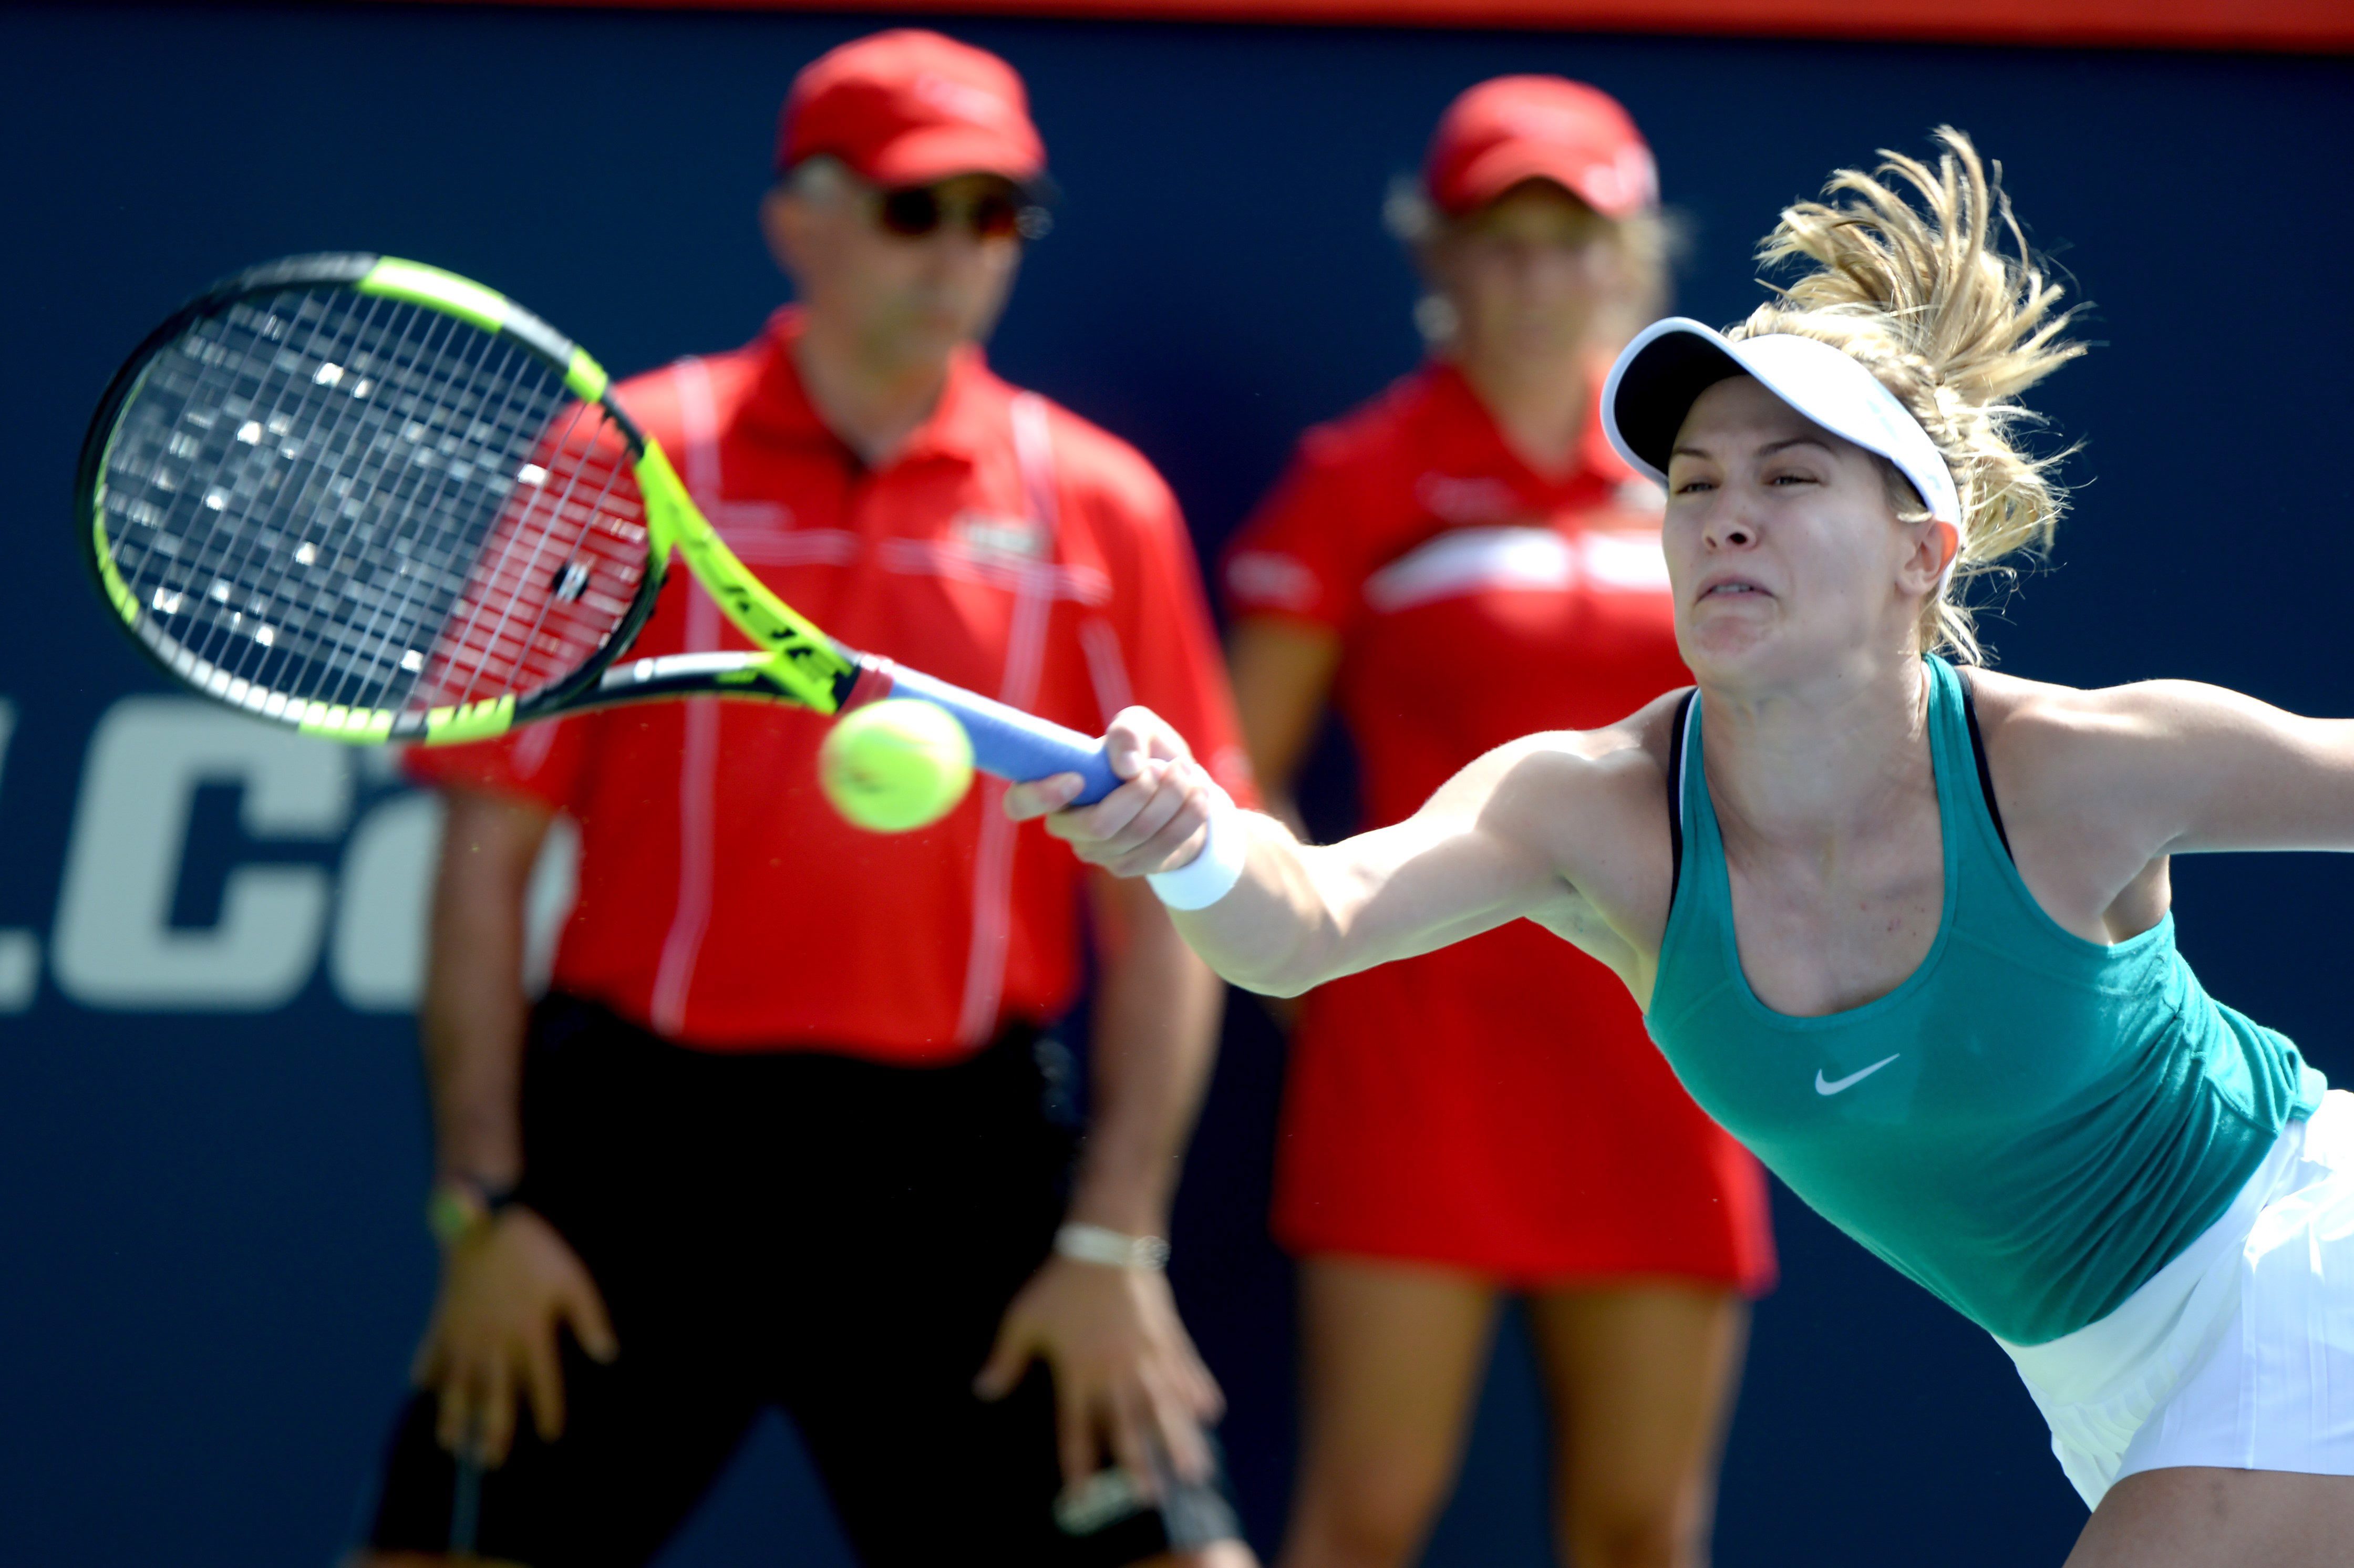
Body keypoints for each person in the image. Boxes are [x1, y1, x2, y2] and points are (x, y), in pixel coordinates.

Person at [1016, 129, 2354, 1566]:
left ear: (1923, 553)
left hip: (2299, 1263)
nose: (1726, 519)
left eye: (1789, 482)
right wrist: (1190, 843)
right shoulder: (1587, 808)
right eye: (1695, 484)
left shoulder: (2082, 769)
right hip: (2093, 1383)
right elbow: (1304, 923)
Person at [354, 29, 1259, 1568]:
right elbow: (483, 857)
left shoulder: (1099, 506)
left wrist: (1115, 1240)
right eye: (920, 209)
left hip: (961, 1161)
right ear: (802, 218)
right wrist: (482, 1206)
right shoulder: (624, 461)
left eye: (998, 216)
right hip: (643, 1150)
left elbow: (1173, 897)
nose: (962, 254)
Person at [1220, 77, 1770, 1568]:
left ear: (1632, 259)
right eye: (1501, 241)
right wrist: (1314, 963)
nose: (1537, 279)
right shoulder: (1357, 481)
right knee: (1366, 1521)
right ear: (1441, 258)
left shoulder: (1703, 486)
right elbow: (1237, 770)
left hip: (1671, 1053)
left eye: (1572, 240)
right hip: (1418, 1063)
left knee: (1643, 1534)